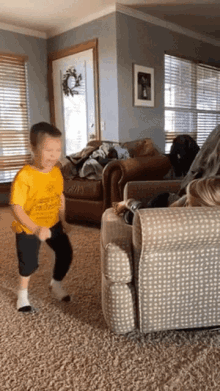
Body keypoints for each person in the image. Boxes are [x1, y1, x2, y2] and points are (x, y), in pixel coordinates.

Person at [10, 122, 73, 313]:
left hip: (52, 223)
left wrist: (63, 220)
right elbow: (16, 207)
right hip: (29, 226)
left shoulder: (55, 172)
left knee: (65, 253)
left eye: (58, 150)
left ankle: (55, 284)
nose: (54, 155)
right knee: (29, 263)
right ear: (33, 148)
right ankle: (22, 295)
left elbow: (59, 197)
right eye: (48, 150)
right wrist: (36, 229)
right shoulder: (24, 176)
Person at [113, 176, 220, 224]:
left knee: (130, 217)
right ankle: (127, 202)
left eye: (189, 204)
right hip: (165, 201)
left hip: (174, 201)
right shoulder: (185, 204)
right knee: (132, 217)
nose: (187, 204)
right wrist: (128, 203)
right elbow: (144, 215)